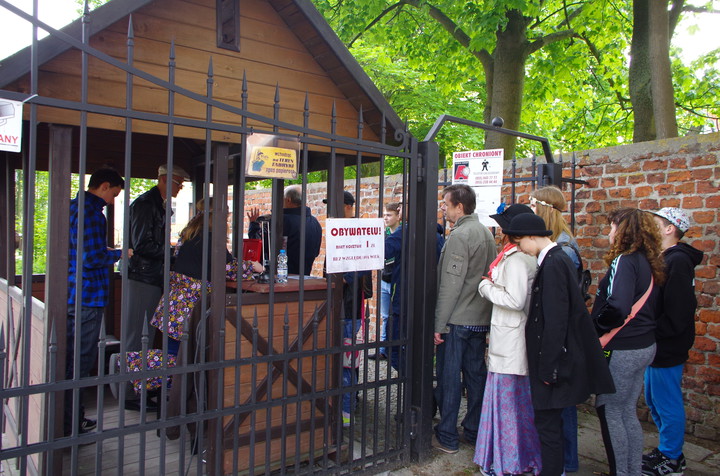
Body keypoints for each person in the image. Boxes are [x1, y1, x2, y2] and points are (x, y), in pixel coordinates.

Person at [503, 213, 614, 476]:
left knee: (548, 429)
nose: (520, 250)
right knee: (548, 427)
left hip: (552, 363)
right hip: (553, 360)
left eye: (520, 244)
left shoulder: (553, 263)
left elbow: (555, 321)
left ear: (532, 236)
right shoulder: (555, 260)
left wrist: (547, 368)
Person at [591, 208, 665, 476]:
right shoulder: (648, 260)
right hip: (644, 345)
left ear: (623, 231)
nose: (609, 233)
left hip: (621, 348)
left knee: (610, 410)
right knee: (626, 411)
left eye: (612, 227)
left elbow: (618, 307)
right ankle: (632, 470)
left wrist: (597, 327)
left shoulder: (625, 260)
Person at [474, 204, 542, 476]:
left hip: (512, 341)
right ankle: (505, 459)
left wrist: (485, 286)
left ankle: (510, 462)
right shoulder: (514, 257)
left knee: (509, 408)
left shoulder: (516, 260)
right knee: (511, 406)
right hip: (510, 338)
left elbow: (514, 300)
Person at [150, 198, 263, 356]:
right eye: (227, 217)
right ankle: (133, 367)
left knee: (172, 355)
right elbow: (227, 268)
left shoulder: (190, 233)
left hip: (175, 303)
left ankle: (150, 375)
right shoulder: (211, 237)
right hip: (188, 306)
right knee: (177, 358)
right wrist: (252, 266)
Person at [65, 168, 130, 435]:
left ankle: (68, 418)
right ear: (104, 186)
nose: (113, 201)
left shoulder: (72, 207)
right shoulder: (92, 214)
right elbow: (90, 259)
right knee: (80, 361)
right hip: (89, 296)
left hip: (73, 292)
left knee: (70, 360)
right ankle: (71, 422)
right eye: (113, 194)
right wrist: (118, 253)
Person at [433, 184, 496, 454]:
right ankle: (472, 430)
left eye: (446, 204)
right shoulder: (485, 232)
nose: (442, 208)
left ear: (460, 206)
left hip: (457, 320)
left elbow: (450, 285)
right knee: (475, 377)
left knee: (450, 379)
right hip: (479, 319)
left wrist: (438, 324)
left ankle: (447, 433)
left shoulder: (461, 236)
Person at [642, 208, 702, 476]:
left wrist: (654, 333)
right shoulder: (664, 257)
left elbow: (678, 310)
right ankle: (667, 450)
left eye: (656, 223)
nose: (651, 226)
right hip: (658, 342)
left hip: (666, 345)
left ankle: (672, 458)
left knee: (667, 403)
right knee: (655, 400)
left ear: (670, 229)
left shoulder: (677, 261)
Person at [125, 163, 190, 410]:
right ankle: (130, 393)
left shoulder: (158, 204)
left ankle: (141, 388)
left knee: (145, 336)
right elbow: (142, 244)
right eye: (177, 182)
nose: (180, 187)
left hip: (151, 276)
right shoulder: (146, 204)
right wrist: (173, 254)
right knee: (137, 336)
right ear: (164, 179)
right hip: (143, 277)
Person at [530, 185, 582, 472]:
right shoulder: (562, 243)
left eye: (533, 204)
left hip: (559, 339)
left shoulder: (562, 249)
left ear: (544, 207)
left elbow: (559, 304)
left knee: (562, 405)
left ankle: (566, 462)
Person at [247, 184, 322, 276]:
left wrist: (254, 225)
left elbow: (260, 245)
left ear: (288, 200)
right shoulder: (315, 222)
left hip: (279, 277)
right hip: (304, 278)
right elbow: (316, 252)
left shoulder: (279, 221)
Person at [369, 201, 401, 360]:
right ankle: (383, 349)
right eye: (384, 215)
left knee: (394, 315)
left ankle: (394, 348)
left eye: (389, 215)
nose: (385, 218)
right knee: (385, 315)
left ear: (398, 216)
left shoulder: (402, 234)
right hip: (384, 279)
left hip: (396, 281)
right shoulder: (384, 234)